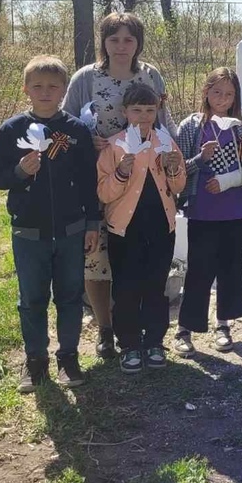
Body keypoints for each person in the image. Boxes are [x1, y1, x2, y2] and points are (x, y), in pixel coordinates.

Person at [63, 11, 175, 359]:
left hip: (143, 186)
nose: (122, 46)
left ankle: (141, 327)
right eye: (114, 39)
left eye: (129, 39)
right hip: (100, 177)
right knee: (98, 258)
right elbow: (66, 124)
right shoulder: (86, 78)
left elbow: (165, 123)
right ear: (104, 42)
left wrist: (174, 162)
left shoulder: (150, 75)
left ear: (139, 42)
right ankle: (106, 328)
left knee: (135, 257)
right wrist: (88, 142)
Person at [0, 56, 100, 392]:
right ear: (26, 89)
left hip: (71, 230)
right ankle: (35, 360)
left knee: (69, 296)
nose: (45, 92)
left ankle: (68, 357)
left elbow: (88, 181)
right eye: (38, 86)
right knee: (32, 299)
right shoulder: (12, 130)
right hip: (29, 230)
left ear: (64, 90)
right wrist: (21, 172)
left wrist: (92, 222)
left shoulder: (76, 130)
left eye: (53, 86)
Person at [97, 83, 186, 374]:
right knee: (126, 287)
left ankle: (155, 341)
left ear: (157, 111)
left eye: (150, 110)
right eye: (137, 110)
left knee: (155, 285)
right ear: (125, 112)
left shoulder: (165, 142)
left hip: (161, 228)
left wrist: (173, 168)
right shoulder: (114, 145)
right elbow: (103, 194)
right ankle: (130, 344)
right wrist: (122, 171)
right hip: (125, 230)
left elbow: (178, 187)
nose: (144, 116)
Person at [174, 68, 242, 357]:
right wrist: (201, 159)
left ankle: (223, 325)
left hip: (235, 210)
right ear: (205, 92)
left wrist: (227, 181)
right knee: (199, 270)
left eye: (228, 94)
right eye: (216, 92)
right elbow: (176, 170)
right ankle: (185, 328)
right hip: (202, 210)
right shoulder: (191, 126)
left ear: (235, 96)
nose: (222, 99)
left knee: (230, 268)